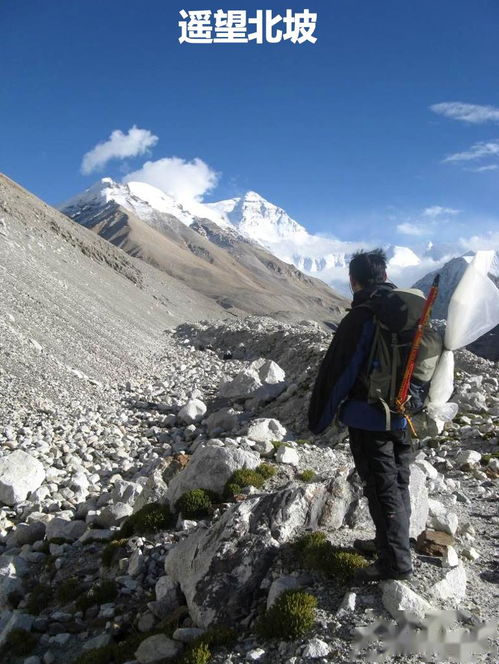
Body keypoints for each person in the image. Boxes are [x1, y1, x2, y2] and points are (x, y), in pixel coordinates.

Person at [307, 248, 413, 582]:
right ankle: (394, 544)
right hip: (404, 414)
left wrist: (319, 420)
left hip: (369, 419)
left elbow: (340, 372)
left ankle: (394, 563)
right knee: (398, 480)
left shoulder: (362, 318)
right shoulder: (407, 313)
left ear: (354, 281)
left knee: (381, 486)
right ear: (384, 276)